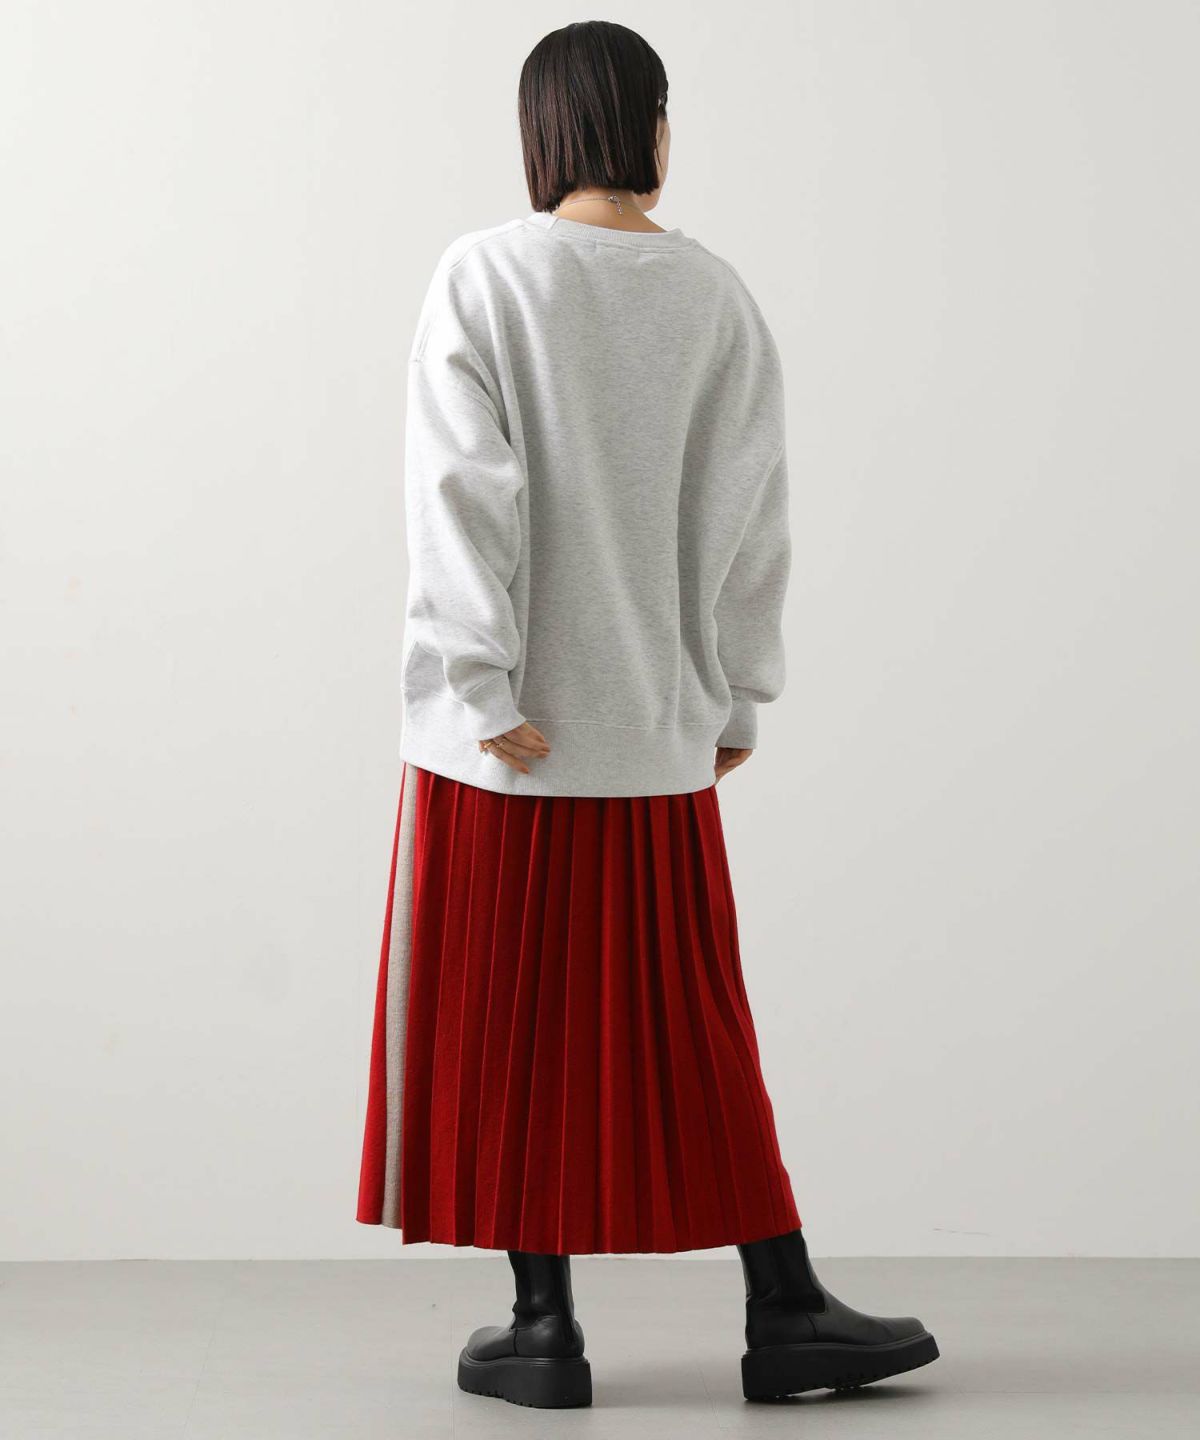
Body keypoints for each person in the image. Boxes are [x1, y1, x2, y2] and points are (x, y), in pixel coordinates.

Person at [357, 19, 939, 1409]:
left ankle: (542, 1328)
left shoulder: (486, 274)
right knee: (691, 1026)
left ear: (539, 132)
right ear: (654, 129)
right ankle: (783, 1305)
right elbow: (752, 515)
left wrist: (481, 682)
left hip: (507, 745)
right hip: (658, 736)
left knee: (511, 1029)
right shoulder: (715, 296)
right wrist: (738, 687)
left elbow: (460, 493)